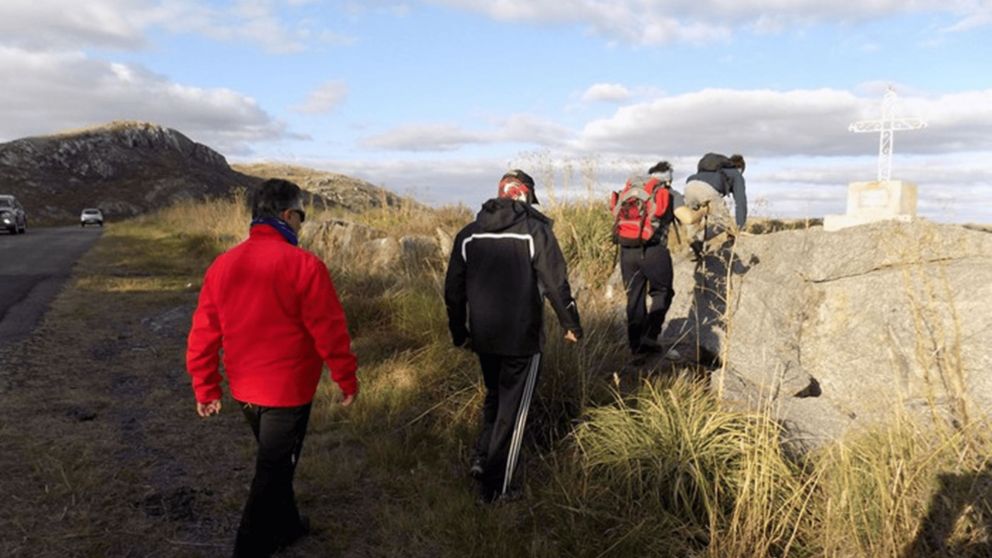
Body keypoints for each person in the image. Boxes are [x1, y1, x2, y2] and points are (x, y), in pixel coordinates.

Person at [186, 178, 358, 557]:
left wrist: (207, 387)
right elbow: (330, 331)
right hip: (287, 393)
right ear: (287, 215)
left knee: (277, 463)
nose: (302, 224)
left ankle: (289, 527)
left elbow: (202, 334)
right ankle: (249, 547)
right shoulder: (304, 265)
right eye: (301, 216)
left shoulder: (223, 265)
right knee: (272, 472)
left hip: (245, 390)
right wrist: (346, 378)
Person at [444, 169, 582, 503]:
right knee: (513, 411)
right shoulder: (536, 231)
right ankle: (496, 489)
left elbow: (452, 291)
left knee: (494, 395)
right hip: (523, 338)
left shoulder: (468, 234)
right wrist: (571, 324)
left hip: (483, 336)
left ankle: (482, 458)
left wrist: (459, 333)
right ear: (526, 196)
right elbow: (556, 284)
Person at [616, 161, 678, 355]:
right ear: (668, 180)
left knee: (634, 297)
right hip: (654, 250)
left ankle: (635, 347)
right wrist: (702, 211)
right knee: (662, 292)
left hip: (626, 250)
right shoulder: (669, 193)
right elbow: (686, 218)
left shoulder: (631, 192)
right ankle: (650, 337)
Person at [684, 153, 747, 256]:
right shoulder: (736, 174)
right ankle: (699, 239)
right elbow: (741, 203)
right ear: (740, 168)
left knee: (694, 221)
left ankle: (693, 249)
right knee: (723, 223)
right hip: (706, 189)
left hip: (689, 185)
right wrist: (740, 228)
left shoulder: (715, 171)